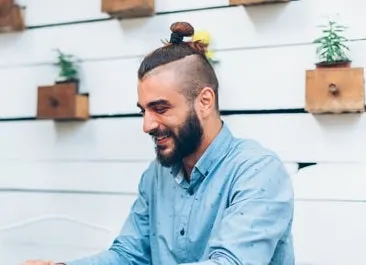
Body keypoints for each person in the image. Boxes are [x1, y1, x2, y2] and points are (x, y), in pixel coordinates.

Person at [22, 21, 294, 265]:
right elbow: (129, 255)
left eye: (160, 108)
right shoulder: (156, 175)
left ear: (205, 102)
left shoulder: (257, 172)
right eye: (143, 110)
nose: (147, 125)